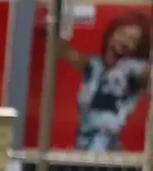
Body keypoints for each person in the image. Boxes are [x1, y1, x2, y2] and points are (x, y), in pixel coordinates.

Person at [57, 12, 152, 151]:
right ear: (111, 33)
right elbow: (69, 54)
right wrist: (54, 26)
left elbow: (145, 75)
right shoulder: (95, 66)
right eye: (121, 34)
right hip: (82, 147)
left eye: (133, 40)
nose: (124, 41)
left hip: (107, 152)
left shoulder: (132, 68)